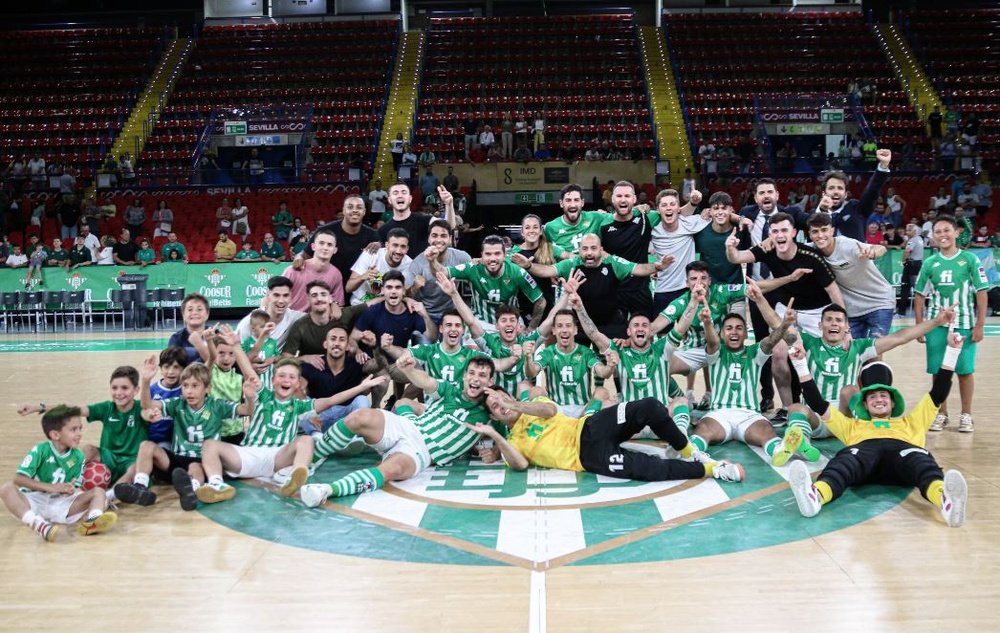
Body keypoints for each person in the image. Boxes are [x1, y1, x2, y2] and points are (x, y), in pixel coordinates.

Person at [786, 338, 968, 528]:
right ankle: (815, 497)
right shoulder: (852, 425)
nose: (878, 399)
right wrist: (800, 364)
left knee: (921, 461)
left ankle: (946, 502)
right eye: (872, 396)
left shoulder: (912, 421)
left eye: (883, 396)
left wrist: (952, 352)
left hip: (903, 458)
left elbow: (938, 392)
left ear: (893, 402)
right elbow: (817, 403)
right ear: (864, 404)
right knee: (844, 462)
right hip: (863, 458)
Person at [301, 354, 496, 506]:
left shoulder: (489, 411)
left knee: (390, 470)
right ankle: (312, 459)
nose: (475, 379)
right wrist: (410, 371)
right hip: (407, 426)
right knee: (359, 416)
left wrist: (483, 448)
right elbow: (427, 381)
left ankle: (326, 490)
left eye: (482, 375)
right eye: (471, 373)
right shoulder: (450, 390)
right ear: (464, 376)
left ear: (490, 381)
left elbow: (494, 443)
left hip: (421, 451)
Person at [782, 304, 958, 463]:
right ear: (820, 326)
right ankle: (802, 443)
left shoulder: (859, 347)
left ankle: (867, 435)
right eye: (828, 320)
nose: (834, 323)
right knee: (795, 408)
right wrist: (761, 301)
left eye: (838, 320)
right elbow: (778, 326)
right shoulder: (808, 343)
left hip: (846, 421)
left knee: (849, 390)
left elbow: (900, 337)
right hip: (816, 418)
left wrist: (936, 321)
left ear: (847, 327)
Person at [472, 390, 744, 484]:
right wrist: (495, 436)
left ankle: (689, 451)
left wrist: (515, 405)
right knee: (644, 468)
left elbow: (549, 409)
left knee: (649, 406)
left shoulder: (531, 405)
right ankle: (712, 469)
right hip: (587, 457)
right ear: (494, 418)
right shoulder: (512, 442)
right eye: (495, 408)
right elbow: (519, 464)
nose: (501, 407)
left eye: (500, 400)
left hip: (591, 427)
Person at [726, 212, 845, 415]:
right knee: (779, 354)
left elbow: (834, 291)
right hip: (787, 309)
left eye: (784, 230)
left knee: (815, 357)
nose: (780, 235)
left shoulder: (811, 257)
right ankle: (789, 408)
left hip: (816, 312)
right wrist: (730, 247)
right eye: (775, 231)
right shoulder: (767, 249)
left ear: (794, 233)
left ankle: (818, 406)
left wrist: (845, 326)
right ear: (770, 235)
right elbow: (737, 257)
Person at [114, 358, 256, 510]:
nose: (189, 391)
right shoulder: (177, 403)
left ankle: (191, 491)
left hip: (202, 460)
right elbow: (146, 404)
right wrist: (146, 381)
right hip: (176, 460)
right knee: (146, 446)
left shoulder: (217, 405)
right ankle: (140, 486)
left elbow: (246, 411)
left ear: (207, 388)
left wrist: (249, 397)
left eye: (195, 386)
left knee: (195, 467)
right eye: (185, 386)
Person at [689, 295, 800, 465]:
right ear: (722, 333)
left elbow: (770, 341)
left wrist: (785, 323)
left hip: (749, 416)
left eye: (739, 328)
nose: (734, 332)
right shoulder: (716, 353)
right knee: (703, 429)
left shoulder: (754, 352)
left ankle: (779, 451)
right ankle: (692, 451)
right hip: (720, 414)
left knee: (766, 430)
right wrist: (707, 323)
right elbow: (712, 341)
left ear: (745, 333)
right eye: (729, 328)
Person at [514, 233, 673, 340]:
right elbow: (547, 271)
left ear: (601, 250)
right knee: (581, 366)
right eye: (585, 249)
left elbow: (638, 268)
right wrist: (529, 265)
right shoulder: (572, 263)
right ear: (579, 250)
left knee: (616, 364)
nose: (589, 252)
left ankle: (619, 392)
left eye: (593, 248)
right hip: (580, 325)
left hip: (611, 323)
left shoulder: (613, 263)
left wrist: (657, 267)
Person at [18, 366, 149, 490]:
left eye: (124, 388)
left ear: (136, 390)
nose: (119, 392)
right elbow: (73, 409)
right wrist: (40, 407)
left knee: (135, 468)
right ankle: (65, 481)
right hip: (109, 457)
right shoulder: (107, 408)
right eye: (114, 388)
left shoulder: (141, 408)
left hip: (131, 460)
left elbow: (150, 413)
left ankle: (111, 495)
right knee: (88, 449)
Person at [914, 215, 989, 432]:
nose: (942, 235)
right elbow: (919, 295)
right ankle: (941, 413)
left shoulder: (970, 260)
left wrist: (980, 325)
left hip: (964, 323)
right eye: (938, 232)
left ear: (956, 232)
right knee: (938, 372)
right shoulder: (929, 263)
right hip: (936, 326)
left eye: (946, 230)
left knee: (965, 371)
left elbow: (982, 292)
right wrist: (920, 326)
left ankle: (966, 415)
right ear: (933, 236)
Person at [0, 405, 118, 541]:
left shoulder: (78, 456)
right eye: (73, 429)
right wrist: (52, 488)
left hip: (60, 503)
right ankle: (39, 525)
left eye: (80, 428)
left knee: (98, 492)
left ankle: (92, 521)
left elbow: (77, 485)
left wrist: (71, 489)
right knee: (6, 488)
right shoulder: (40, 450)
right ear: (55, 434)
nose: (79, 433)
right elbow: (19, 479)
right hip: (33, 501)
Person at [806, 213, 896, 339]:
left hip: (879, 302)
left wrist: (873, 253)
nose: (820, 235)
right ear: (810, 235)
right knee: (850, 351)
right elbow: (789, 247)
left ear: (832, 230)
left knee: (873, 350)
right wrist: (769, 241)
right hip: (851, 310)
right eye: (815, 232)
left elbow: (881, 248)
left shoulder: (848, 245)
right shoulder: (810, 251)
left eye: (824, 230)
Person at [435, 234, 546, 332]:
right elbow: (443, 272)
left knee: (522, 351)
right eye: (488, 254)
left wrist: (531, 328)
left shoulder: (517, 272)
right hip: (480, 323)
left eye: (497, 254)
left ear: (504, 255)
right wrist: (432, 260)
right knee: (474, 353)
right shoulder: (473, 268)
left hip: (511, 323)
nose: (492, 258)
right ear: (481, 255)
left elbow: (541, 301)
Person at [524, 309, 618, 417]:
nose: (564, 330)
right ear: (554, 330)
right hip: (557, 410)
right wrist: (528, 358)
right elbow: (531, 373)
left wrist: (610, 366)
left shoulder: (585, 352)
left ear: (575, 330)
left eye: (568, 325)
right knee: (535, 391)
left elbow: (603, 373)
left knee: (602, 392)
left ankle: (585, 423)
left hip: (583, 410)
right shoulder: (547, 353)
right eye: (560, 326)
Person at [297, 326, 386, 435]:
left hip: (347, 419)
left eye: (342, 340)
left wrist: (375, 346)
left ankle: (356, 436)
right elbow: (292, 382)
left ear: (348, 346)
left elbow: (381, 365)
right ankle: (316, 436)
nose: (337, 343)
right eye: (333, 339)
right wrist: (303, 358)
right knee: (302, 403)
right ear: (325, 344)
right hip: (319, 418)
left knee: (362, 400)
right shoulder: (313, 364)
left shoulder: (356, 364)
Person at [814, 149, 893, 242]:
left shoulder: (856, 208)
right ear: (824, 193)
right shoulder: (815, 215)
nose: (836, 191)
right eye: (831, 188)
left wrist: (883, 166)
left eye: (840, 188)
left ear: (846, 194)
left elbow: (872, 191)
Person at [283, 281, 368, 358]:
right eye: (314, 295)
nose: (319, 299)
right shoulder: (300, 325)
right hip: (312, 371)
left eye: (323, 294)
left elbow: (370, 304)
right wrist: (304, 359)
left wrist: (382, 294)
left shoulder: (344, 314)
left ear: (330, 298)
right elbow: (286, 357)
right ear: (308, 300)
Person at [408, 219, 472, 323]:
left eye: (443, 236)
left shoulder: (462, 257)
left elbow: (475, 277)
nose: (438, 240)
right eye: (434, 235)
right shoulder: (417, 263)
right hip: (426, 315)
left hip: (452, 314)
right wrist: (414, 287)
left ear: (450, 239)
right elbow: (406, 296)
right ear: (428, 238)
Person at [377, 182, 454, 256]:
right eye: (395, 193)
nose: (400, 195)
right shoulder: (383, 230)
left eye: (404, 192)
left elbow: (449, 226)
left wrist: (449, 204)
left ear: (410, 198)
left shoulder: (425, 220)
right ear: (389, 200)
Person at [236, 276, 306, 350]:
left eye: (285, 295)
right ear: (268, 295)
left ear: (290, 297)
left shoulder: (294, 317)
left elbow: (315, 318)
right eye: (276, 295)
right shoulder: (249, 322)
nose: (281, 301)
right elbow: (237, 353)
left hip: (278, 361)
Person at [281, 229, 344, 311]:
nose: (325, 247)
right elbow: (273, 296)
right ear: (313, 246)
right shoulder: (294, 270)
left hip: (319, 320)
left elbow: (338, 303)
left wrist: (335, 305)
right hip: (292, 320)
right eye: (321, 243)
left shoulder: (336, 274)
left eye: (329, 245)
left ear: (335, 250)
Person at [346, 228, 413, 305]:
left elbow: (404, 295)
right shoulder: (371, 254)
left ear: (407, 249)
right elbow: (348, 288)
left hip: (387, 306)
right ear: (387, 245)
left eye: (403, 246)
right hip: (360, 302)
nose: (398, 251)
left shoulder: (409, 265)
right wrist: (363, 277)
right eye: (395, 245)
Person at [543, 184, 614, 253]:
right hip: (565, 264)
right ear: (561, 203)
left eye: (576, 200)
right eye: (568, 200)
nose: (573, 205)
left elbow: (620, 218)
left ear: (582, 202)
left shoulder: (596, 217)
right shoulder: (550, 228)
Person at [147, 346, 189, 450]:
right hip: (154, 439)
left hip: (177, 440)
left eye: (176, 367)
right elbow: (144, 411)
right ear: (160, 368)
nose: (171, 372)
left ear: (184, 369)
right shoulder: (152, 389)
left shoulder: (186, 389)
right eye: (166, 367)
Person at [168, 293, 211, 364]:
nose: (194, 313)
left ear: (207, 314)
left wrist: (199, 345)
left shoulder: (215, 335)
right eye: (190, 310)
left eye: (199, 309)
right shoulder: (176, 339)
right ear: (183, 314)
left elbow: (218, 366)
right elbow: (173, 366)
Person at [898, 223, 925, 315]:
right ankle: (921, 310)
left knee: (905, 287)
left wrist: (903, 261)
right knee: (917, 288)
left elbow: (907, 251)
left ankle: (901, 312)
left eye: (909, 230)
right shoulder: (920, 239)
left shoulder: (913, 240)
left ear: (914, 231)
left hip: (911, 265)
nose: (907, 232)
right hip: (918, 264)